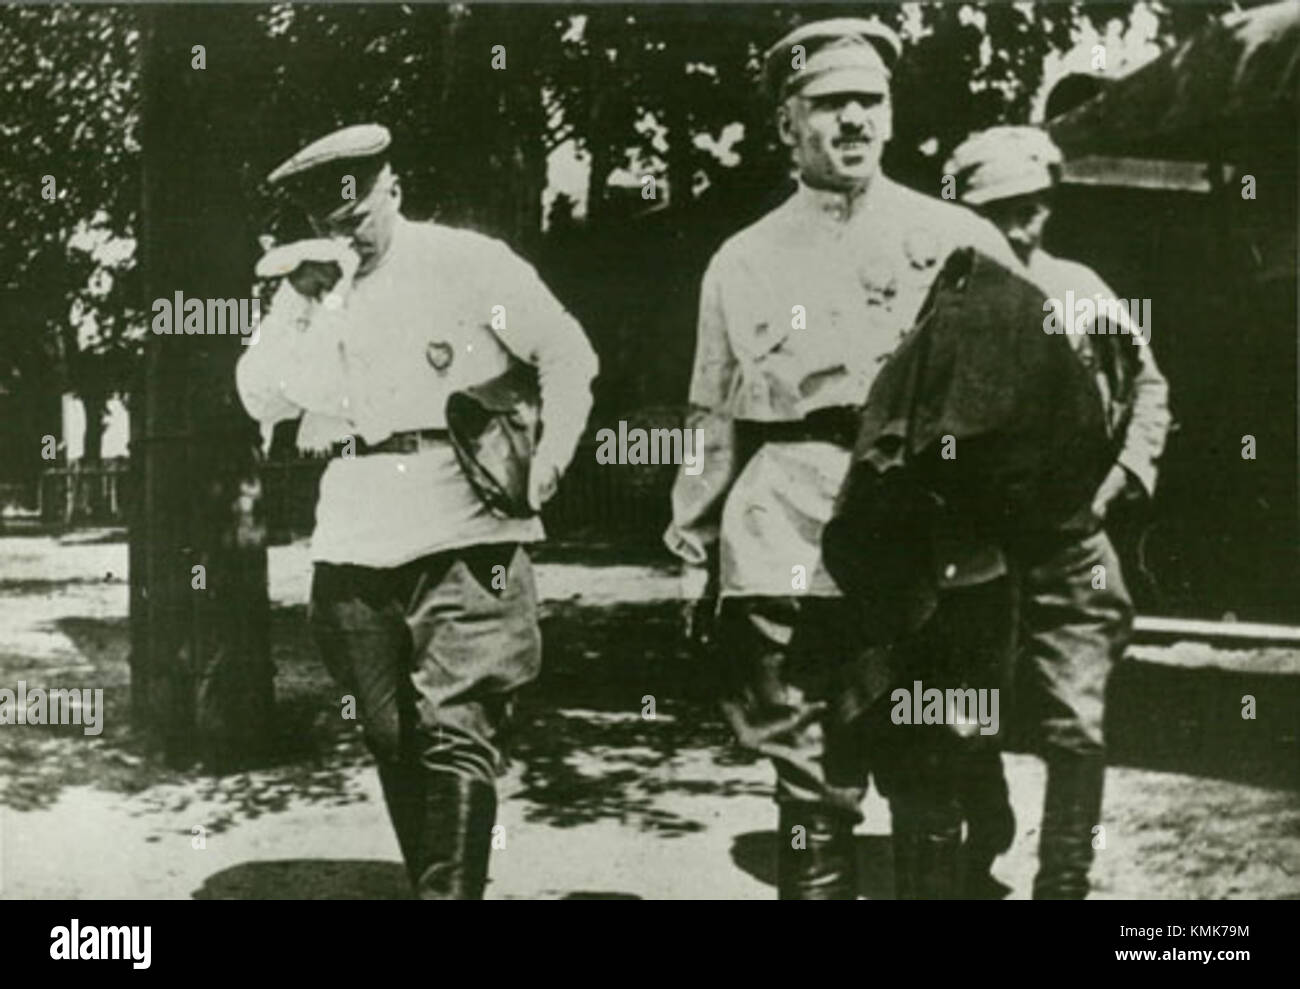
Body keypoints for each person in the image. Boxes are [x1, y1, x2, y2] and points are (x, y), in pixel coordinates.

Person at [664, 18, 1025, 899]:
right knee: (808, 780)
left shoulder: (959, 239)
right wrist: (688, 545)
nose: (854, 120)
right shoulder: (741, 259)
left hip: (930, 538)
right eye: (829, 104)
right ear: (788, 124)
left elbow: (1027, 389)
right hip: (789, 533)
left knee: (931, 768)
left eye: (871, 102)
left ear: (892, 117)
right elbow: (709, 413)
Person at [236, 123, 599, 899]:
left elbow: (567, 352)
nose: (347, 237)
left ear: (391, 187)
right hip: (357, 534)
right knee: (392, 735)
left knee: (455, 734)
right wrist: (299, 305)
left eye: (359, 216)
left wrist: (555, 455)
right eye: (328, 225)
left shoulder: (465, 263)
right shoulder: (310, 289)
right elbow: (259, 393)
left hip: (466, 525)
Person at [943, 125, 1172, 898]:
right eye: (996, 209)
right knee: (963, 715)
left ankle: (1065, 881)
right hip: (973, 542)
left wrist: (1120, 481)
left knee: (1077, 723)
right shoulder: (944, 292)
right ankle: (981, 838)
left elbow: (1149, 387)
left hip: (1071, 537)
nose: (1016, 227)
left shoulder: (1082, 288)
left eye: (1031, 208)